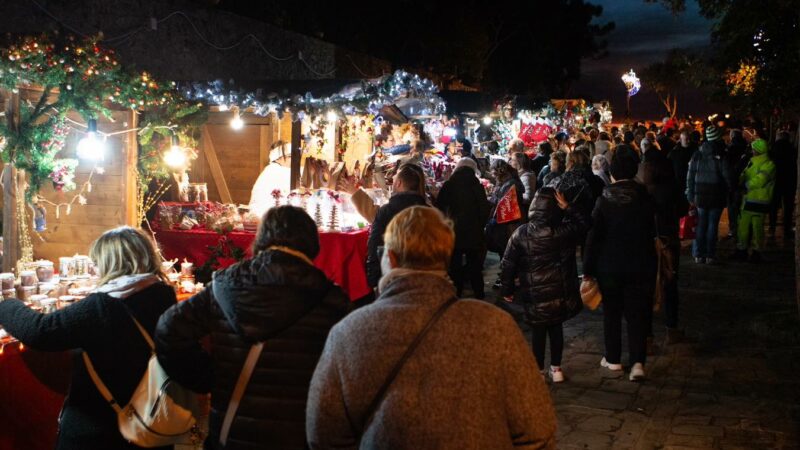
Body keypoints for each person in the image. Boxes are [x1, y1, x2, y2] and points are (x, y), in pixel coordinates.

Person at [306, 206, 557, 449]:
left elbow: (323, 432)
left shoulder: (349, 333)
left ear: (391, 258)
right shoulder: (496, 327)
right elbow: (537, 430)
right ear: (445, 257)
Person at [155, 206, 350, 449]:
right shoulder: (331, 299)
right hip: (299, 434)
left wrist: (209, 377)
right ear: (311, 243)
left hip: (232, 432)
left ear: (261, 238)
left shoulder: (224, 286)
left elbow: (168, 329)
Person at [0, 227, 176, 450]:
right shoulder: (164, 296)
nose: (95, 268)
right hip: (152, 426)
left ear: (113, 263)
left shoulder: (102, 307)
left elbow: (40, 331)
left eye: (98, 261)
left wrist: (7, 304)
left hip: (99, 431)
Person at [583, 153, 657, 382]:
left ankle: (613, 358)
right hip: (640, 263)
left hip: (610, 265)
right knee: (637, 314)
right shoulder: (644, 197)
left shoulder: (604, 198)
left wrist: (588, 267)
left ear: (613, 172)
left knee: (612, 312)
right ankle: (637, 363)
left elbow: (594, 235)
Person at [500, 188, 586, 383]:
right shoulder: (562, 231)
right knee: (556, 329)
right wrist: (569, 208)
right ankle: (556, 369)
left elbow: (508, 263)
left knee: (538, 331)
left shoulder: (521, 233)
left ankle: (538, 370)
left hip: (534, 293)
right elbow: (584, 224)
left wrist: (507, 290)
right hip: (558, 291)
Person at [638, 137, 685, 343]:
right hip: (668, 238)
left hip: (647, 240)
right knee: (670, 282)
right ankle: (671, 328)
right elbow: (683, 208)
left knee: (646, 286)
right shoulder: (671, 187)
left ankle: (647, 335)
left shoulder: (640, 189)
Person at [364, 164, 428, 288]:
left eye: (394, 180)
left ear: (398, 183)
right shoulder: (430, 212)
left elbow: (375, 244)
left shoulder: (386, 211)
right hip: (423, 278)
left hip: (391, 277)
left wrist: (373, 278)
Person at [436, 158, 491, 299]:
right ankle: (479, 294)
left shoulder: (449, 185)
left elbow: (439, 207)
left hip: (454, 232)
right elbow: (485, 209)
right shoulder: (476, 185)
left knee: (455, 266)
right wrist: (480, 226)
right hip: (474, 232)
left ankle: (456, 294)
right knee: (475, 266)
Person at [686, 125, 731, 264]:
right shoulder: (721, 155)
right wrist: (730, 190)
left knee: (700, 225)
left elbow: (690, 175)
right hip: (716, 195)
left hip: (700, 195)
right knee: (712, 225)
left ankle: (698, 254)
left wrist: (690, 194)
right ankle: (710, 255)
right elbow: (728, 176)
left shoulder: (697, 154)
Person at [733, 138, 776, 263]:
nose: (752, 151)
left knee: (752, 227)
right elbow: (746, 175)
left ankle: (750, 252)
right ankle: (748, 251)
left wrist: (744, 184)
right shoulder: (757, 162)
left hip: (756, 200)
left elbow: (760, 180)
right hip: (753, 200)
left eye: (753, 149)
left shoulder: (768, 164)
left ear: (758, 150)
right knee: (747, 227)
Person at [769, 131, 797, 240]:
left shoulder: (773, 149)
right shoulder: (792, 149)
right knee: (788, 207)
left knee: (774, 206)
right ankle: (787, 229)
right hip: (789, 181)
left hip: (776, 181)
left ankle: (772, 227)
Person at [726, 129, 749, 238]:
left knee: (732, 207)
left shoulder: (729, 149)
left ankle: (733, 229)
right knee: (743, 207)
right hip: (745, 180)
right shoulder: (746, 147)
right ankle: (744, 228)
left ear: (731, 137)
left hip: (733, 181)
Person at [667, 130, 698, 201]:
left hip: (693, 181)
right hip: (679, 182)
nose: (688, 141)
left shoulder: (696, 150)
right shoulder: (674, 152)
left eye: (689, 139)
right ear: (680, 140)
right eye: (686, 139)